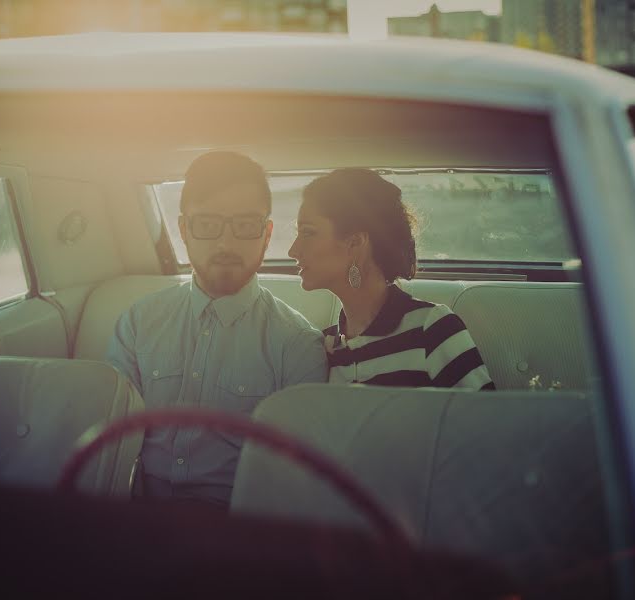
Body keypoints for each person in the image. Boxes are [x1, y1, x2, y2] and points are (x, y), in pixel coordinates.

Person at [107, 151, 328, 508]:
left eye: (244, 225)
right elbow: (112, 445)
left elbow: (291, 479)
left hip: (240, 533)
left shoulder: (297, 345)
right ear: (183, 230)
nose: (225, 244)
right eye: (207, 224)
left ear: (267, 233)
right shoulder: (137, 324)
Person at [288, 168, 494, 390]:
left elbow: (484, 421)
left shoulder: (432, 329)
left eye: (308, 232)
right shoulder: (321, 347)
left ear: (355, 242)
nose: (293, 250)